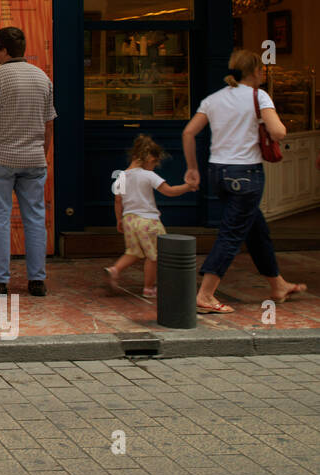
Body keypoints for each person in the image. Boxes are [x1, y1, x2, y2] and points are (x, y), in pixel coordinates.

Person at [180, 49, 306, 313]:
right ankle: (205, 294)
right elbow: (278, 131)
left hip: (218, 172)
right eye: (261, 71)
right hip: (246, 173)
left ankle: (278, 284)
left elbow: (189, 132)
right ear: (257, 72)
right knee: (232, 233)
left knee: (256, 228)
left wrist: (192, 168)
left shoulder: (213, 99)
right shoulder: (258, 96)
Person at [0, 26, 56, 297]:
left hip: (1, 158)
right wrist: (41, 154)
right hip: (34, 159)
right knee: (35, 219)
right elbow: (48, 126)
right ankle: (37, 280)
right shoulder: (42, 77)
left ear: (3, 50)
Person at [104, 134, 196, 298]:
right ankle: (148, 288)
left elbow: (118, 200)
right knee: (154, 256)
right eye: (154, 162)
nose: (153, 167)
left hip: (129, 220)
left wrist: (119, 220)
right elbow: (169, 191)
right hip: (148, 221)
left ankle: (114, 270)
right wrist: (188, 187)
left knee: (133, 251)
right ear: (146, 158)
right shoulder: (148, 175)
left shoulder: (121, 176)